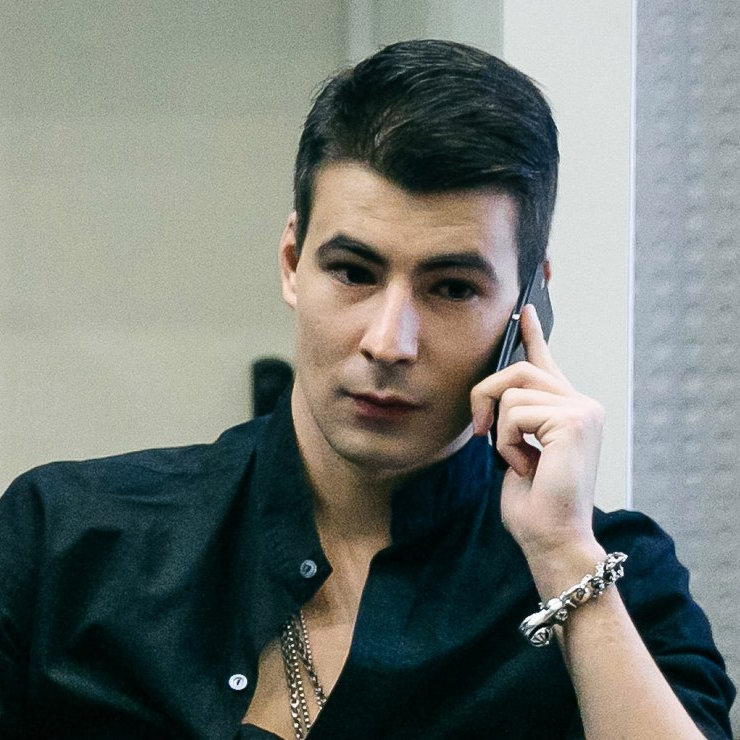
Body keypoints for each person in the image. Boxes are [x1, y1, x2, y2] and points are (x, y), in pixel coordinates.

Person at [0, 40, 734, 740]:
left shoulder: (614, 580)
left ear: (528, 305)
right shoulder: (63, 540)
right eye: (353, 272)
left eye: (452, 287)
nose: (389, 342)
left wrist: (564, 557)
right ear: (293, 262)